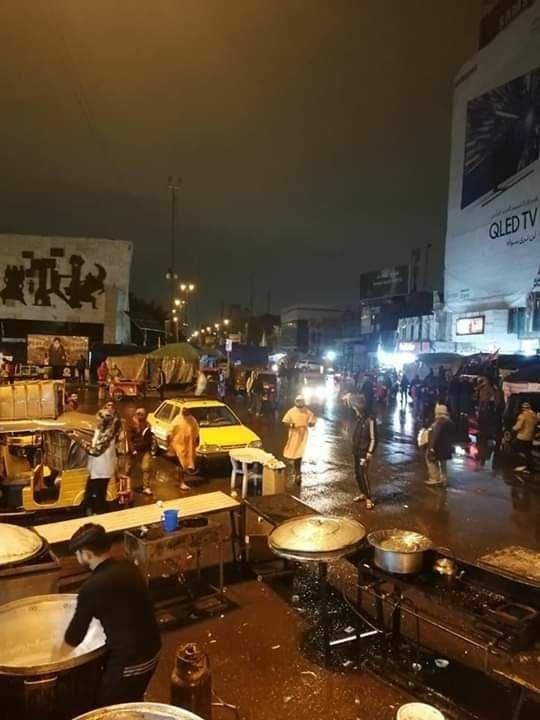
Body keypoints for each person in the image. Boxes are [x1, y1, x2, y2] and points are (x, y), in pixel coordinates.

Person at [62, 524, 161, 706]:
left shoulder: (92, 587)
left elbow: (74, 637)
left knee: (110, 707)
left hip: (134, 661)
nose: (77, 557)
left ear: (87, 553)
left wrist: (56, 658)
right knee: (130, 700)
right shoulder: (127, 565)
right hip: (153, 649)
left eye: (77, 553)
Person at [73, 408, 117, 514]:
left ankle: (98, 515)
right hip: (95, 469)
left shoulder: (108, 434)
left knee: (98, 496)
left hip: (102, 471)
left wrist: (79, 440)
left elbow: (96, 451)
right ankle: (89, 512)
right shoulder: (99, 429)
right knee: (89, 494)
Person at [282, 396, 316, 483]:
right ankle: (293, 465)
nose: (300, 403)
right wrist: (291, 425)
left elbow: (312, 420)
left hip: (303, 435)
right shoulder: (291, 411)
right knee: (292, 450)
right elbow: (285, 422)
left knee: (300, 453)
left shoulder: (307, 411)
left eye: (301, 401)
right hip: (294, 434)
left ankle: (297, 472)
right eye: (299, 401)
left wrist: (311, 423)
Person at [351, 402, 377, 509]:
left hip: (364, 452)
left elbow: (374, 438)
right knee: (357, 474)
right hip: (356, 451)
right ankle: (363, 493)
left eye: (356, 408)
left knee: (363, 475)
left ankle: (369, 498)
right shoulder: (359, 418)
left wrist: (369, 452)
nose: (355, 410)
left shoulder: (370, 420)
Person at [168, 406, 200, 489]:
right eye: (184, 409)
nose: (185, 411)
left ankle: (179, 479)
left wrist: (196, 441)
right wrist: (169, 445)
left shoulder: (192, 419)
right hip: (178, 445)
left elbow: (196, 430)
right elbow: (170, 432)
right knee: (181, 463)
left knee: (184, 464)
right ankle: (181, 482)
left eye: (187, 409)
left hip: (188, 445)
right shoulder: (177, 419)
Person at [425, 404, 454, 486]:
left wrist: (430, 448)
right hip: (446, 447)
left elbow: (434, 434)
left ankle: (434, 478)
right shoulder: (449, 421)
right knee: (443, 463)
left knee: (430, 460)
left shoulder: (439, 422)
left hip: (438, 447)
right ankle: (444, 479)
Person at [127, 408, 153, 495]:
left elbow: (150, 437)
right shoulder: (131, 424)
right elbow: (129, 439)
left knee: (146, 468)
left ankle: (146, 487)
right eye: (138, 413)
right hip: (134, 450)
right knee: (129, 469)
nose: (140, 415)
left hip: (145, 450)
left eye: (142, 414)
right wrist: (133, 450)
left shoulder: (147, 425)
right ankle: (126, 486)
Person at [513, 402, 537, 473]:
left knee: (514, 448)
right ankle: (530, 467)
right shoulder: (534, 415)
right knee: (528, 452)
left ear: (523, 408)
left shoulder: (522, 416)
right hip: (530, 437)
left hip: (522, 437)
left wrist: (513, 428)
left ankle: (522, 464)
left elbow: (518, 426)